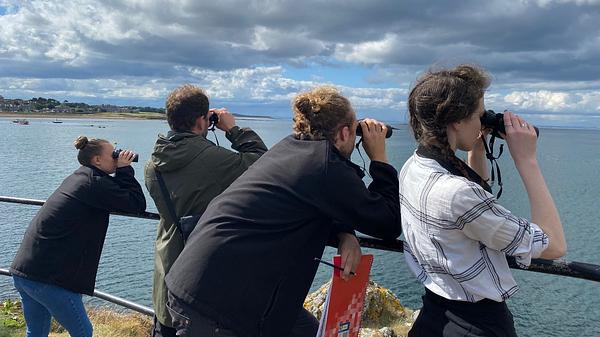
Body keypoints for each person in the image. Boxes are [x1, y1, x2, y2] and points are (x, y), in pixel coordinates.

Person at [164, 86, 402, 337]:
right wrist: (379, 159)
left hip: (207, 285)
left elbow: (309, 201)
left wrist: (344, 233)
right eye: (354, 131)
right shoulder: (323, 166)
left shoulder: (291, 148)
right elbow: (387, 223)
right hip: (219, 308)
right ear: (344, 133)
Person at [399, 64, 567, 337]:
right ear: (456, 120)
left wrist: (477, 143)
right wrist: (527, 160)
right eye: (479, 115)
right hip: (479, 325)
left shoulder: (414, 167)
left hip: (434, 314)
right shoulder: (458, 193)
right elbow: (554, 245)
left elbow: (471, 207)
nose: (483, 121)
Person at [144, 84, 268, 337]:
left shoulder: (152, 164)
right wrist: (232, 129)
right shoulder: (213, 160)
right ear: (202, 120)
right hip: (201, 275)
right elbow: (262, 163)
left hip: (167, 269)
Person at [10, 136, 146, 337]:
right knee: (83, 332)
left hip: (25, 271)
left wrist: (120, 169)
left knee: (36, 332)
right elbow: (136, 204)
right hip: (47, 279)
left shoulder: (80, 177)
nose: (117, 156)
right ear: (97, 160)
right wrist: (125, 169)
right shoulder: (94, 183)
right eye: (113, 154)